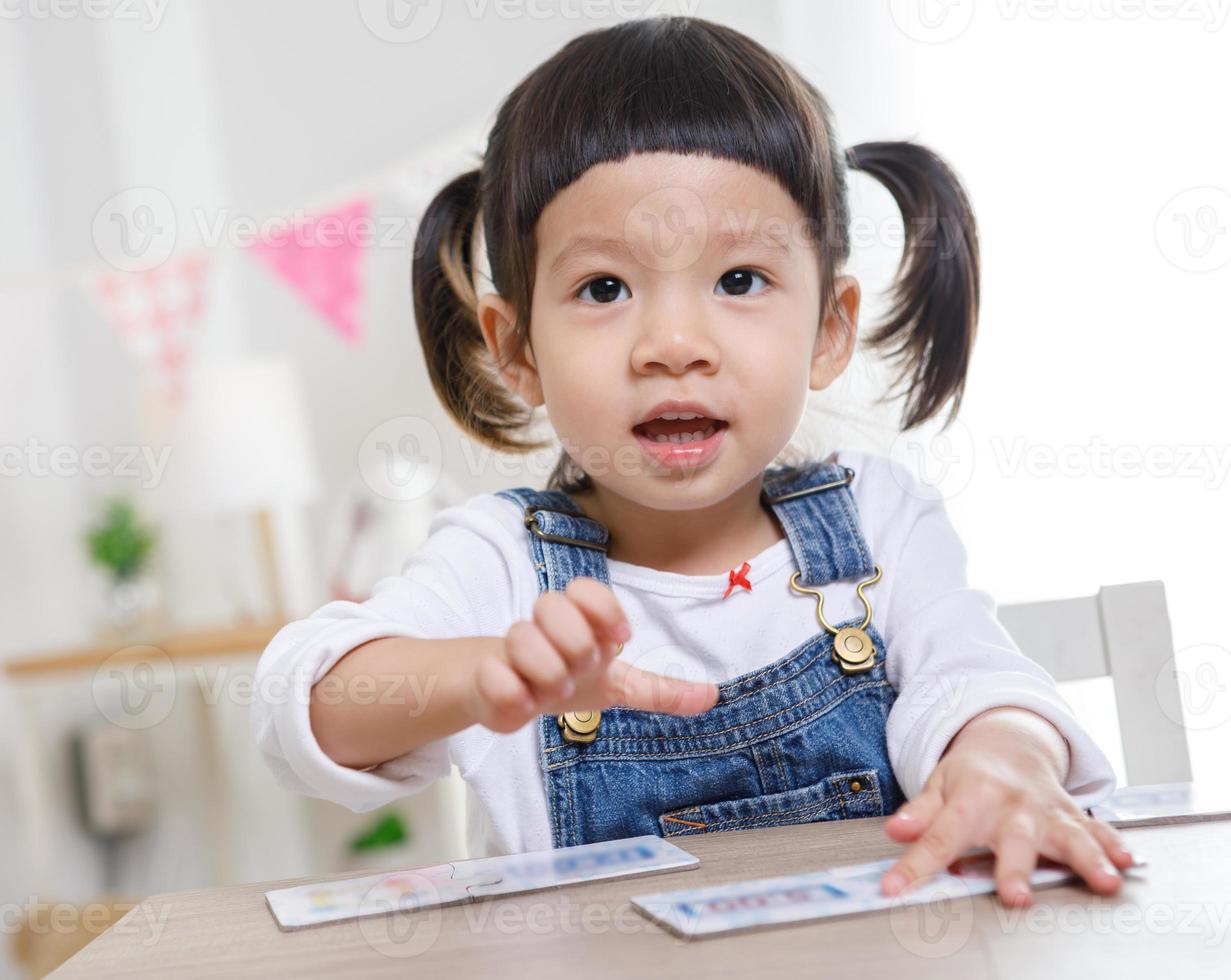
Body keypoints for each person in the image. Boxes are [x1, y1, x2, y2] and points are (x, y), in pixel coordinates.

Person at [252, 15, 1133, 908]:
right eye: (604, 288)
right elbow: (302, 708)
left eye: (739, 280)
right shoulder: (500, 566)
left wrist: (1003, 755)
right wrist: (479, 674)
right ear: (516, 349)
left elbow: (973, 675)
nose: (673, 344)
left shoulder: (880, 523)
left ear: (828, 329)